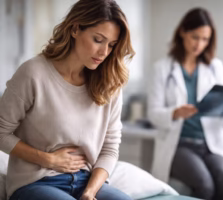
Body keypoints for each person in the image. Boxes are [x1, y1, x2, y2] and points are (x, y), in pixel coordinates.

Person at [0, 0, 135, 199]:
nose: (104, 52)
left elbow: (110, 148)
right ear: (75, 29)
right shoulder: (33, 73)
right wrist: (48, 160)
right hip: (35, 182)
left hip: (87, 182)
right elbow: (1, 132)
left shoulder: (110, 83)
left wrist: (90, 192)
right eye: (98, 40)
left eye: (111, 45)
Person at [147, 8, 223, 200]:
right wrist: (175, 113)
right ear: (182, 32)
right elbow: (153, 114)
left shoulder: (215, 67)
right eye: (195, 37)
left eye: (205, 39)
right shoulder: (161, 68)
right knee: (204, 184)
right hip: (179, 145)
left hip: (211, 144)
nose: (199, 44)